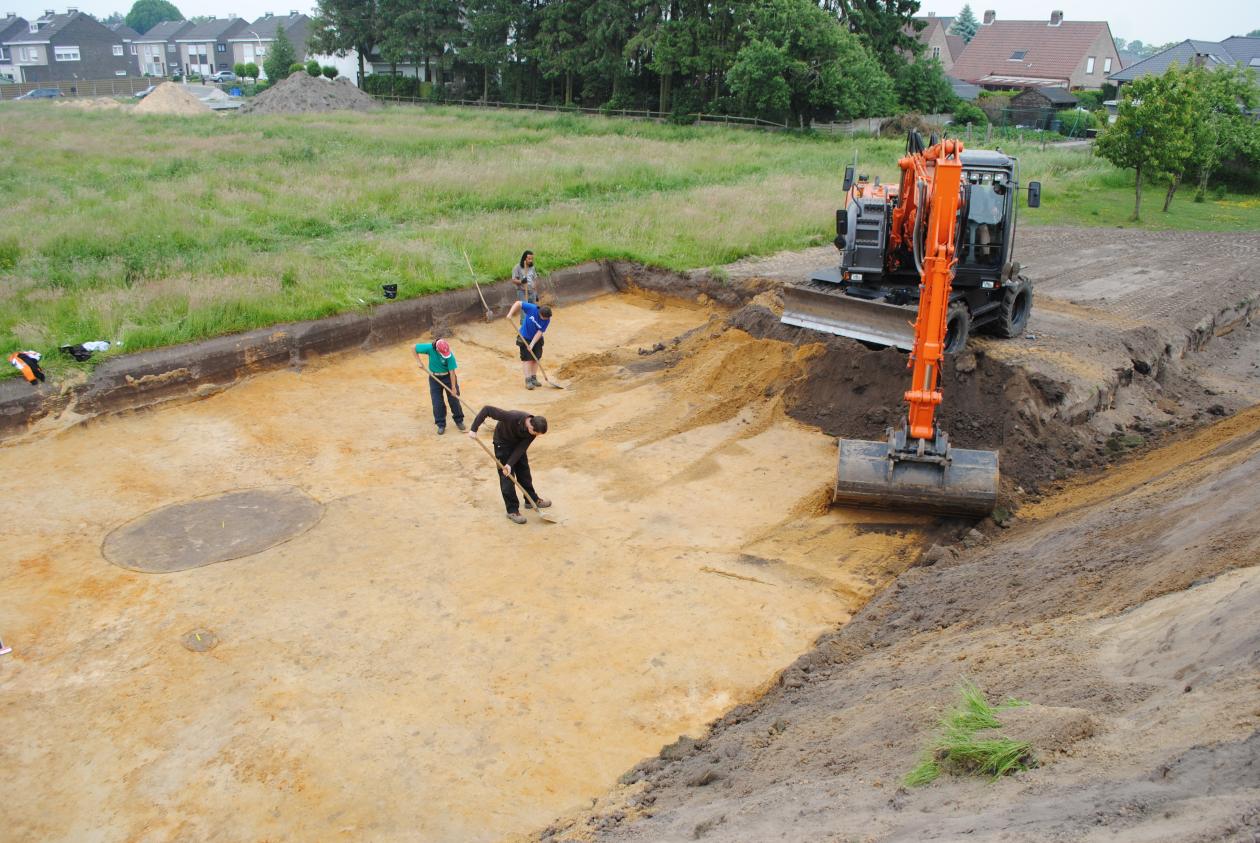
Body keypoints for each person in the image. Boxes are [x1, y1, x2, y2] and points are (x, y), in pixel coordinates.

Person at [467, 406, 551, 524]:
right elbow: (487, 410)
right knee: (507, 477)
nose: (536, 435)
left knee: (524, 472)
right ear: (530, 425)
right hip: (502, 443)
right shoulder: (512, 417)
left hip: (517, 445)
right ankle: (512, 510)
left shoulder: (533, 432)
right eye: (535, 433)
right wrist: (473, 429)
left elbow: (522, 447)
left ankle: (531, 500)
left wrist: (510, 464)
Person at [414, 338, 464, 435]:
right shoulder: (429, 348)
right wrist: (418, 361)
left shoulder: (450, 356)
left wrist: (453, 387)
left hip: (448, 378)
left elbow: (452, 372)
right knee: (437, 402)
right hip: (434, 378)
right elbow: (413, 348)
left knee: (454, 399)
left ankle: (459, 420)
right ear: (437, 349)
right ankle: (441, 424)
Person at [507, 299, 552, 390]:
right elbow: (518, 303)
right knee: (527, 359)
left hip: (536, 339)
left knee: (536, 358)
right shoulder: (532, 308)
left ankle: (533, 378)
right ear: (540, 313)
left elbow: (540, 332)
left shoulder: (547, 320)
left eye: (547, 318)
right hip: (524, 337)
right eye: (544, 318)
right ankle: (528, 380)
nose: (546, 320)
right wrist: (510, 314)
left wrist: (532, 344)